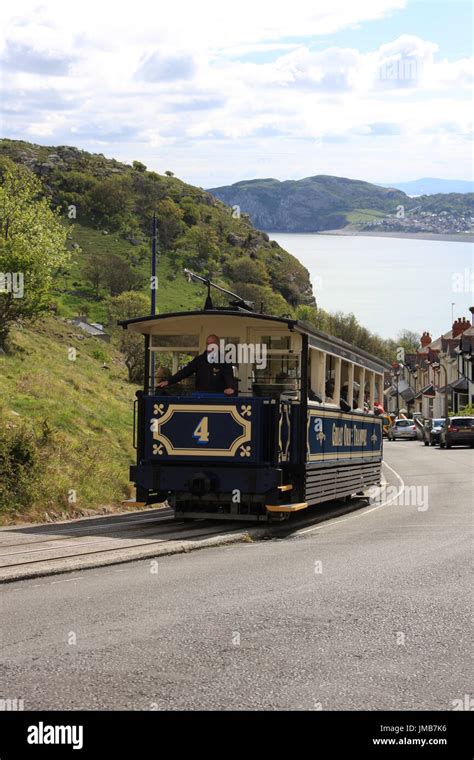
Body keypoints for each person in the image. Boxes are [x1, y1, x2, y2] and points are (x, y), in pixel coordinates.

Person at [156, 334, 235, 395]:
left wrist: (230, 388)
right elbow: (185, 371)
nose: (209, 346)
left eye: (212, 344)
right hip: (200, 397)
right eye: (208, 344)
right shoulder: (199, 360)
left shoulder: (224, 361)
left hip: (218, 398)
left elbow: (229, 377)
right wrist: (169, 381)